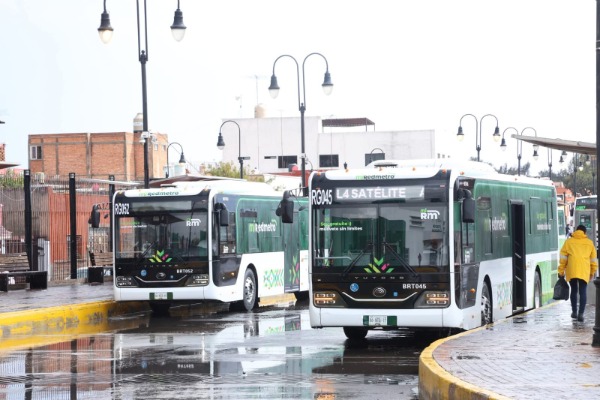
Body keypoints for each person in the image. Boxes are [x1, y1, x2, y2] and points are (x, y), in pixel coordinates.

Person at [558, 224, 598, 322]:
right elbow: (593, 260)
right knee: (583, 291)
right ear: (585, 232)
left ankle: (574, 312)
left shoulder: (569, 242)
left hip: (572, 269)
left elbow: (563, 258)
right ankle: (581, 314)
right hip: (584, 270)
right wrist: (592, 272)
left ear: (576, 231)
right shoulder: (589, 243)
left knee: (574, 290)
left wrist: (561, 271)